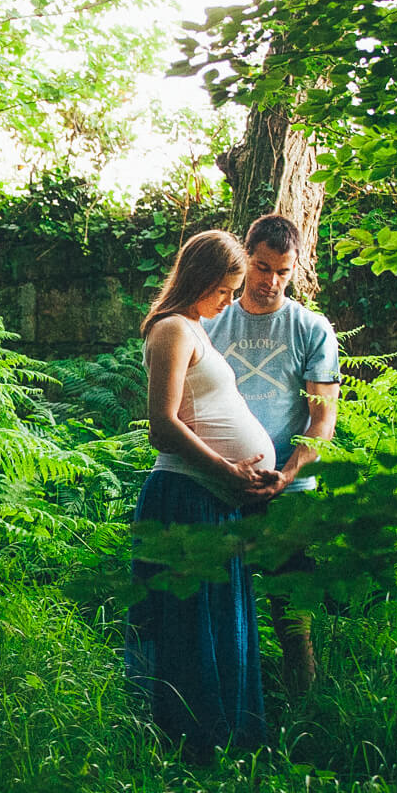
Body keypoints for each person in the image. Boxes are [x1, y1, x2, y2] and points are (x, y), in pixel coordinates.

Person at [126, 229, 284, 757]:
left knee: (217, 627)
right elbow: (163, 427)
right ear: (198, 280)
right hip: (185, 498)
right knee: (191, 634)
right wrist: (228, 471)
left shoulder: (195, 327)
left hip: (212, 498)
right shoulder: (172, 328)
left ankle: (220, 750)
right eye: (222, 291)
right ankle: (190, 752)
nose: (227, 302)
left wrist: (242, 481)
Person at [203, 214, 341, 695]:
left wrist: (287, 473)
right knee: (218, 600)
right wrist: (218, 467)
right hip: (218, 483)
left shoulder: (311, 328)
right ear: (246, 257)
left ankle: (303, 708)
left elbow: (322, 419)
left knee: (292, 612)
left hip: (291, 489)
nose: (271, 282)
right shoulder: (212, 320)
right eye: (262, 268)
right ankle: (229, 699)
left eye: (283, 271)